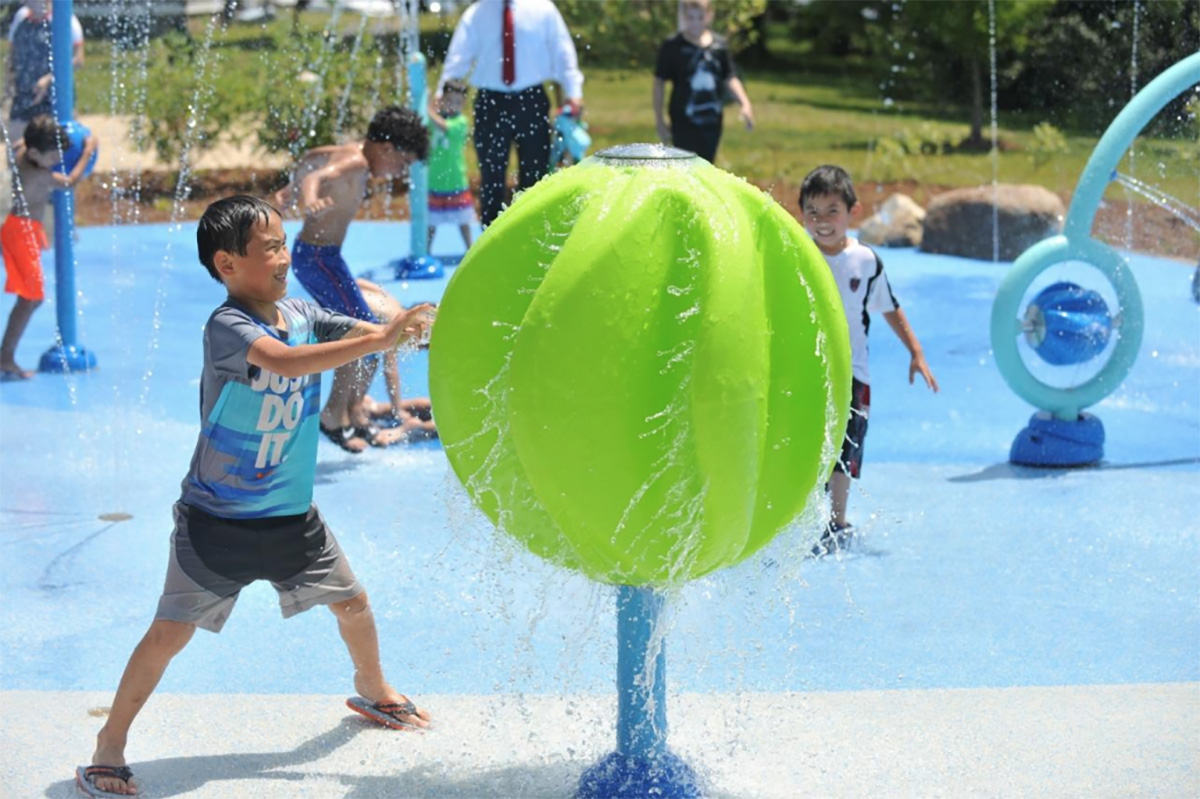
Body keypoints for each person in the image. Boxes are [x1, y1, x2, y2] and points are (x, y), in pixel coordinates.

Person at [75, 196, 434, 798]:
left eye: (284, 242)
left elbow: (363, 333)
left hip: (294, 519)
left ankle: (373, 689)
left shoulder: (299, 311)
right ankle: (108, 747)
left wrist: (406, 329)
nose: (283, 256)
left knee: (352, 602)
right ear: (227, 264)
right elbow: (287, 364)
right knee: (169, 633)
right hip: (217, 522)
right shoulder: (228, 326)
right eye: (268, 247)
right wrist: (380, 341)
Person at [798, 165, 939, 556]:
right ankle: (798, 519)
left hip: (853, 374)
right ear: (801, 214)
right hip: (807, 371)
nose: (822, 221)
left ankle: (836, 523)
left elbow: (889, 307)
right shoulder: (798, 256)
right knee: (807, 446)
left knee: (846, 451)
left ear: (852, 212)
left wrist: (916, 351)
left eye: (831, 211)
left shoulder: (865, 260)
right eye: (812, 211)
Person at [271, 105, 429, 452]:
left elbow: (315, 158)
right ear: (387, 149)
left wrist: (288, 187)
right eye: (401, 164)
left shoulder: (352, 152)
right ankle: (334, 416)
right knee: (366, 335)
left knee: (367, 335)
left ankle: (354, 413)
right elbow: (316, 176)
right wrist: (307, 197)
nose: (398, 173)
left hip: (326, 259)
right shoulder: (356, 162)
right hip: (318, 258)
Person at [439, 0, 584, 227]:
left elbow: (562, 52)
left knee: (535, 175)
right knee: (491, 176)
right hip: (490, 102)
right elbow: (457, 58)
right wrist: (442, 92)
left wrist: (573, 93)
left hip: (532, 100)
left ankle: (532, 235)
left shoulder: (542, 8)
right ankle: (490, 237)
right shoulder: (477, 13)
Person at [1, 113, 97, 380]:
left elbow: (20, 142)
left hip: (18, 229)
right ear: (35, 152)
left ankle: (4, 356)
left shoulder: (22, 153)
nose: (58, 162)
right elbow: (71, 181)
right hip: (21, 232)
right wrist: (88, 150)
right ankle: (5, 358)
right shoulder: (40, 176)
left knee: (30, 298)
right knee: (30, 298)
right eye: (54, 158)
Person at [653, 0, 754, 164]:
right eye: (690, 18)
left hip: (712, 119)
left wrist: (745, 103)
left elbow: (729, 76)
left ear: (709, 16)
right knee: (683, 165)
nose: (695, 23)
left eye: (700, 17)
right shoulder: (673, 46)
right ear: (684, 18)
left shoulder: (719, 46)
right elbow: (659, 83)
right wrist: (659, 121)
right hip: (683, 120)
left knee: (706, 164)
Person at [4, 0, 85, 145]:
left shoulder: (65, 19)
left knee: (56, 149)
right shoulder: (21, 17)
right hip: (23, 96)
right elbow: (12, 55)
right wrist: (8, 84)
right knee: (16, 150)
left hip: (54, 99)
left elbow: (78, 60)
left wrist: (50, 77)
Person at [426, 79, 476, 253]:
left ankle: (470, 249)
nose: (452, 106)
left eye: (457, 102)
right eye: (448, 101)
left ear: (463, 104)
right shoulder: (432, 121)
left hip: (455, 180)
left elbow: (444, 126)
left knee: (463, 220)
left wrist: (428, 109)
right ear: (442, 100)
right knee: (431, 222)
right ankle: (426, 251)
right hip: (434, 180)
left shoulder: (461, 122)